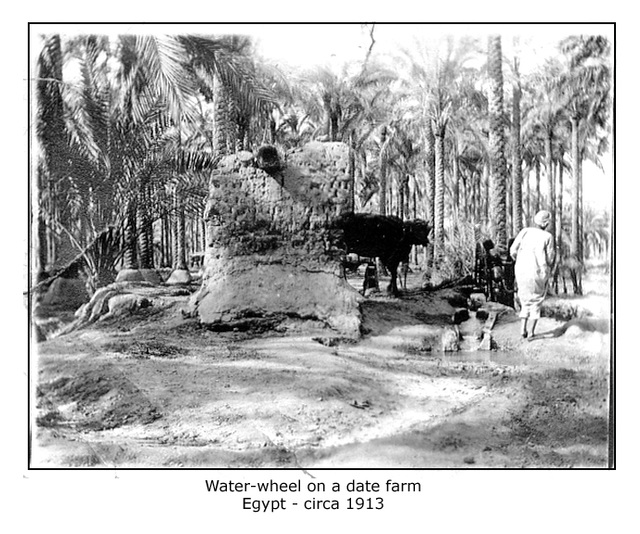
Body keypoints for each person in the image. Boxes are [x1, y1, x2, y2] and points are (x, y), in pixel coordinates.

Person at [509, 210, 555, 338]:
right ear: (546, 223)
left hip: (522, 269)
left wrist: (519, 260)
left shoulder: (525, 231)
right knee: (536, 300)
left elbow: (513, 250)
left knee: (524, 299)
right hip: (538, 271)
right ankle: (532, 332)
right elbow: (550, 258)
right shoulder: (548, 237)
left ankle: (522, 329)